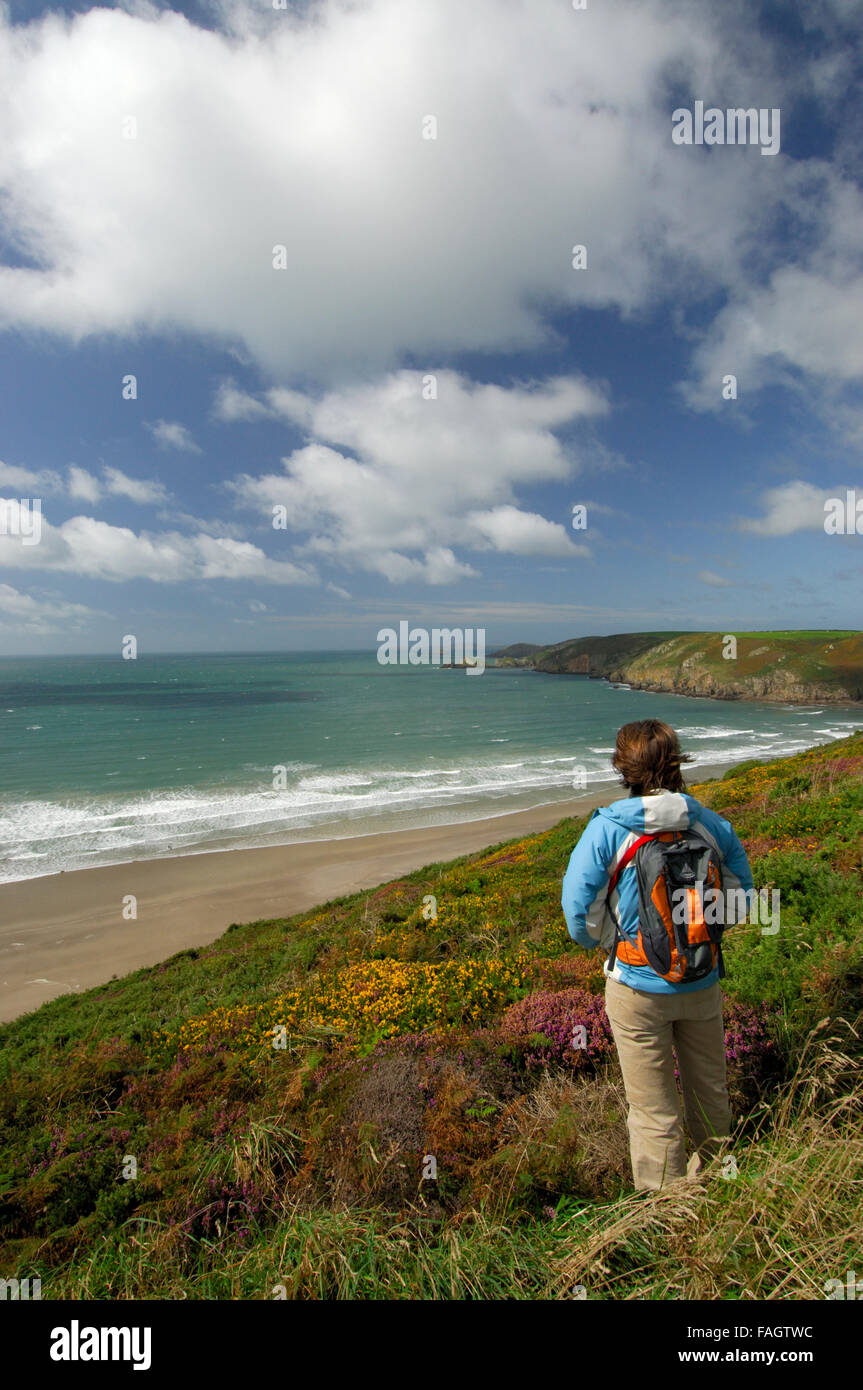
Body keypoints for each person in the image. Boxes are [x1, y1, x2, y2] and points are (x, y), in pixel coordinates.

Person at [561, 719, 754, 1190]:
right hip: (701, 981)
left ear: (622, 767)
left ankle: (665, 1218)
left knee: (653, 1111)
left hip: (635, 984)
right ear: (676, 763)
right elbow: (743, 898)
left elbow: (577, 912)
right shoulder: (709, 824)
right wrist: (701, 934)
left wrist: (610, 941)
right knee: (710, 1093)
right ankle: (718, 1191)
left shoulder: (607, 831)